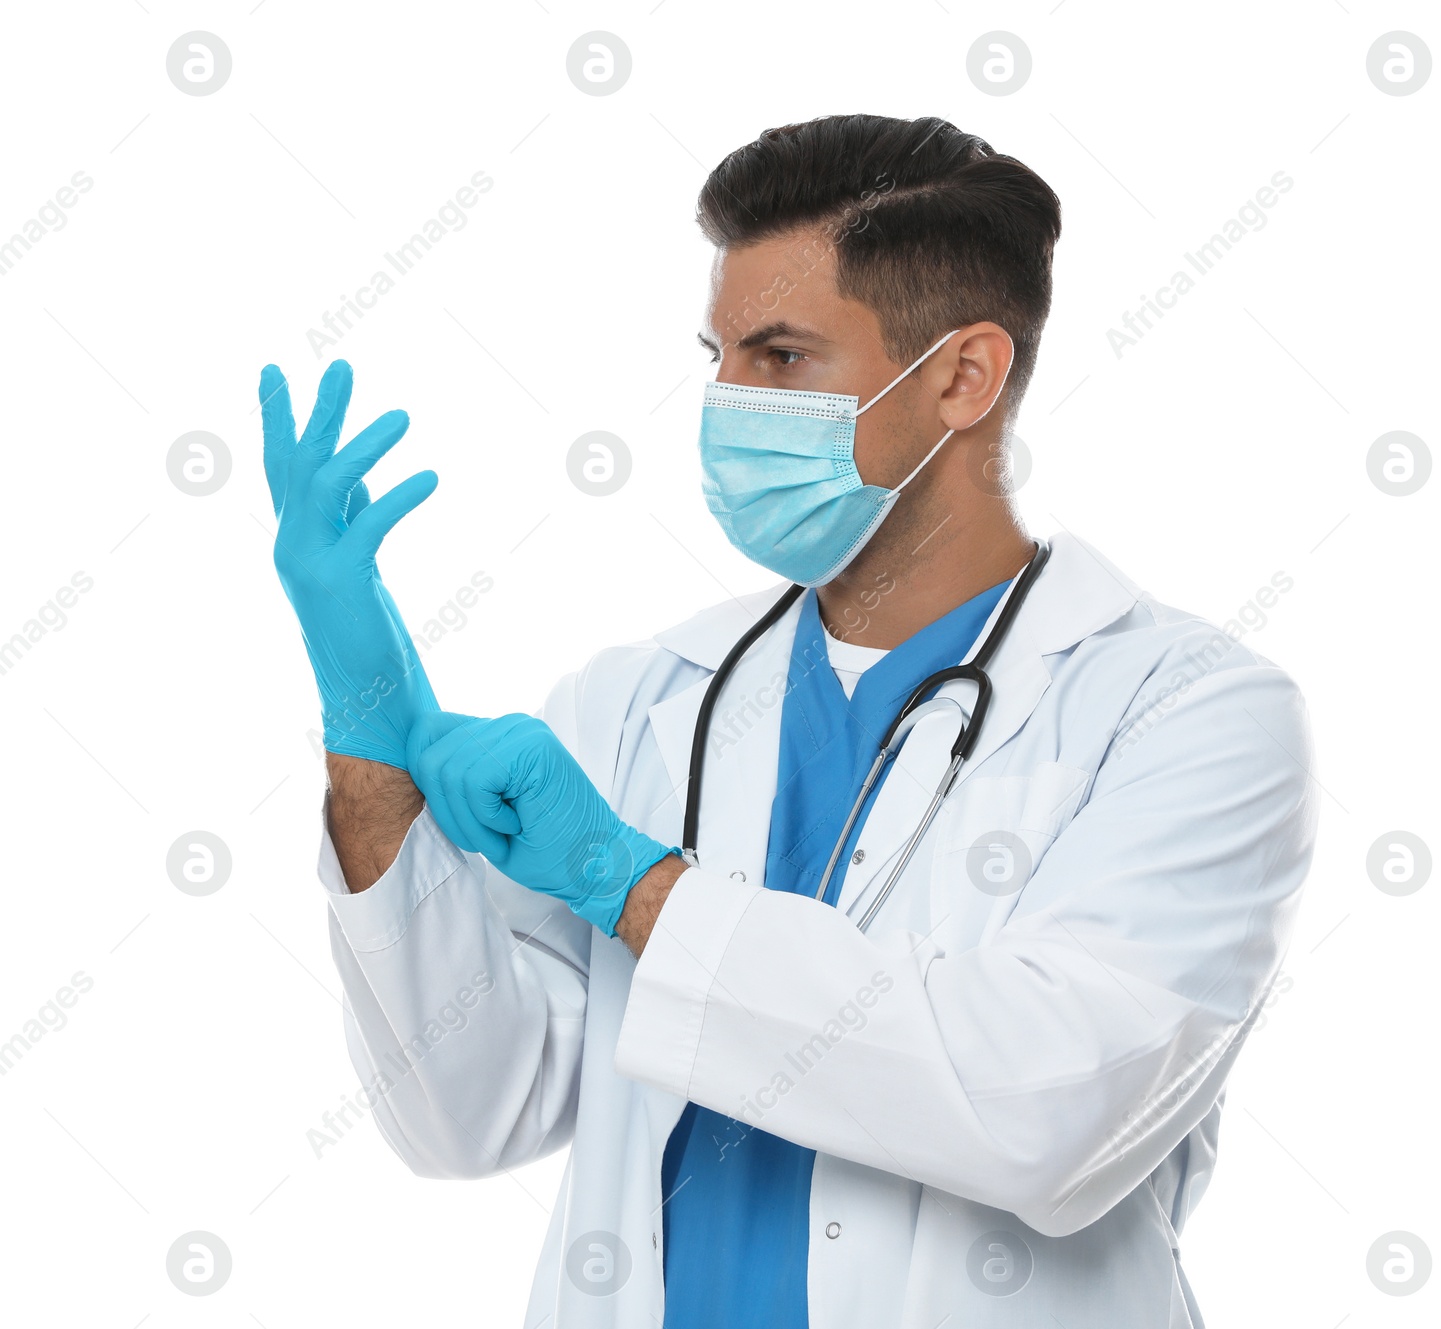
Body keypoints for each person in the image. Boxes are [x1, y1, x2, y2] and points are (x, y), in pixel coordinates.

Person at [260, 113, 1318, 1328]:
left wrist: (629, 881)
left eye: (779, 357)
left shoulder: (1187, 713)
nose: (723, 402)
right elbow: (468, 1111)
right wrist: (371, 745)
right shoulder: (644, 697)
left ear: (964, 379)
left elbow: (1052, 1118)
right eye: (716, 354)